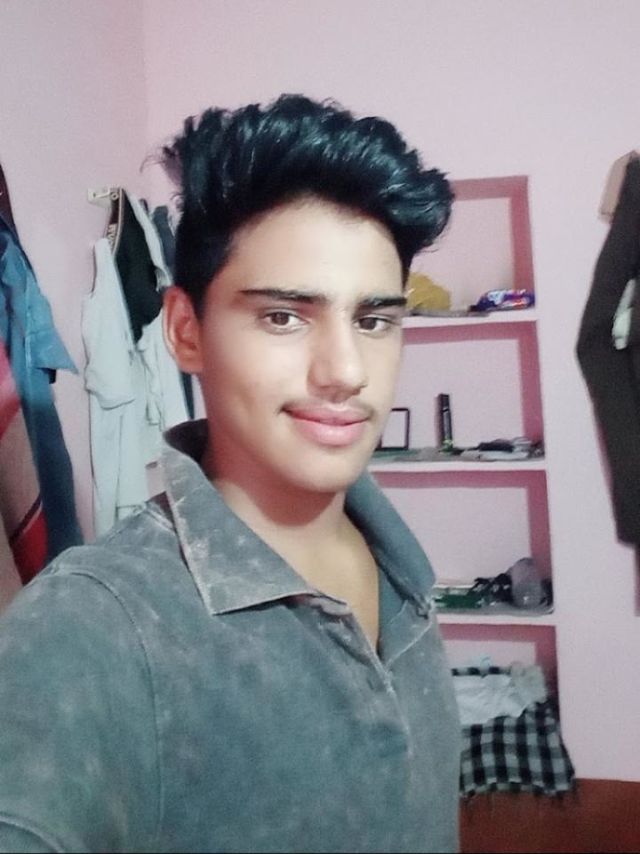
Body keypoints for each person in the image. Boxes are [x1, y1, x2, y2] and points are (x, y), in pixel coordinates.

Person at [0, 94, 461, 853]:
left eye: (373, 320)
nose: (347, 371)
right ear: (186, 331)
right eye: (284, 316)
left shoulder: (400, 565)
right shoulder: (89, 632)